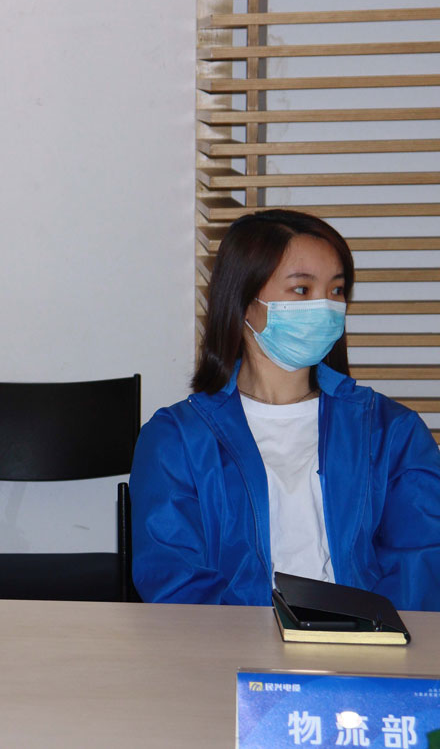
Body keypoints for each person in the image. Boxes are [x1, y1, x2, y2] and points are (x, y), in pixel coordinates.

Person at [131, 208, 440, 610]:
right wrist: (260, 636)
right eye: (302, 289)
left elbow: (421, 563)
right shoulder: (177, 439)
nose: (325, 307)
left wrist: (364, 633)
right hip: (228, 645)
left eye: (336, 290)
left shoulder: (392, 432)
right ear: (245, 302)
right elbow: (174, 577)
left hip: (366, 643)